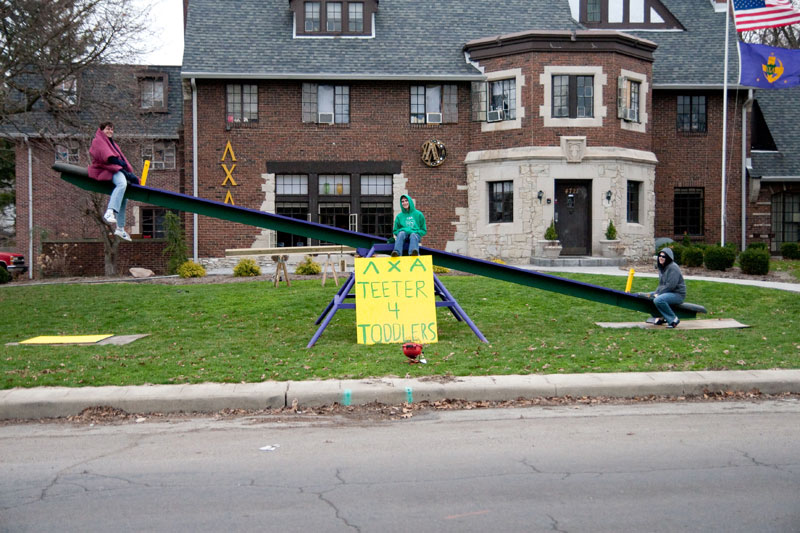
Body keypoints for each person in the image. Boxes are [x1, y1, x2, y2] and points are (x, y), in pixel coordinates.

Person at [88, 122, 138, 242]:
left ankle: (120, 228)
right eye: (107, 129)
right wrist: (120, 164)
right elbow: (108, 157)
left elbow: (119, 159)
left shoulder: (112, 143)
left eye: (112, 129)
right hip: (107, 169)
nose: (110, 131)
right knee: (122, 184)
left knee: (124, 197)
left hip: (115, 168)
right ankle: (110, 211)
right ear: (101, 130)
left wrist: (125, 167)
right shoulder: (98, 141)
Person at [646, 248, 686, 328]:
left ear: (668, 258)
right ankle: (660, 317)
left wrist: (659, 294)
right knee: (648, 296)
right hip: (668, 292)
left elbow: (671, 285)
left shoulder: (673, 268)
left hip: (677, 294)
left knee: (658, 299)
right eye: (660, 255)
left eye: (663, 256)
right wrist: (655, 293)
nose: (661, 257)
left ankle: (673, 320)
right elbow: (661, 285)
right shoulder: (662, 268)